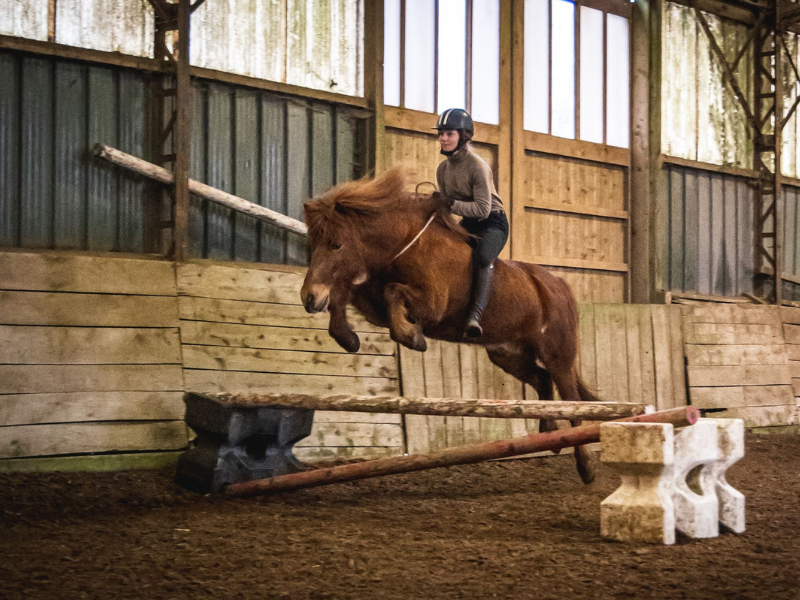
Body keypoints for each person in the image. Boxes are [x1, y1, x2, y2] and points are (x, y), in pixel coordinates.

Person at [432, 108, 509, 339]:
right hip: (469, 221)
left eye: (449, 134)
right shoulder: (442, 170)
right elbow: (447, 208)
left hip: (492, 222)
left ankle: (476, 315)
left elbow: (482, 209)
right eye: (441, 134)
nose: (443, 138)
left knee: (483, 257)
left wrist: (450, 204)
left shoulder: (478, 167)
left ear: (463, 137)